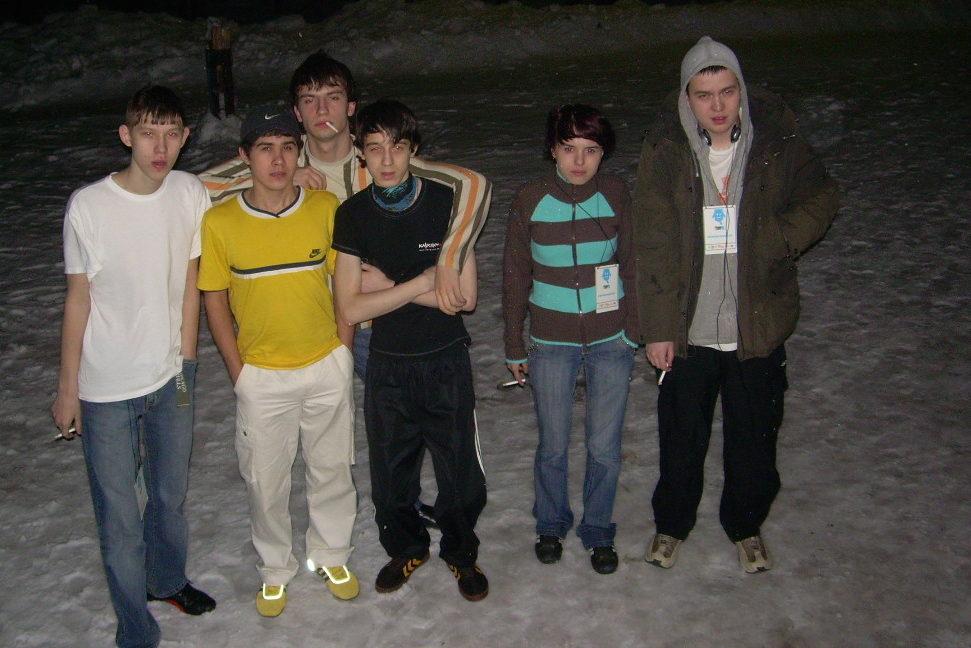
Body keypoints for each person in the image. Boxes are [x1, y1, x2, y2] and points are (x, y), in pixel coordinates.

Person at [633, 36, 839, 573]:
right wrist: (658, 328)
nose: (718, 106)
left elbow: (822, 195)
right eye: (704, 95)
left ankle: (746, 526)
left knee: (754, 441)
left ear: (742, 90)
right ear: (687, 97)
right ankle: (671, 524)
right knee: (681, 438)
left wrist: (780, 238)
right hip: (688, 328)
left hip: (757, 324)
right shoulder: (665, 149)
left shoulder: (777, 141)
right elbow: (652, 242)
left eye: (727, 91)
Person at [198, 51, 491, 381]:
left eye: (333, 98)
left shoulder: (377, 156)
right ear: (297, 112)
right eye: (310, 100)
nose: (322, 110)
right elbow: (198, 188)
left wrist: (449, 260)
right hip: (313, 331)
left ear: (351, 107)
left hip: (379, 320)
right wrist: (278, 178)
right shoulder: (282, 154)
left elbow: (471, 183)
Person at [51, 85, 215, 648]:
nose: (160, 147)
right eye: (148, 134)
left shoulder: (189, 192)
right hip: (104, 388)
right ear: (127, 136)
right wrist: (67, 388)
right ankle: (135, 630)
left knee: (169, 497)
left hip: (172, 378)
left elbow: (191, 279)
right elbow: (78, 299)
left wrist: (187, 359)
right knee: (120, 518)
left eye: (171, 134)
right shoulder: (89, 206)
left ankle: (165, 580)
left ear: (185, 137)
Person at [198, 107, 359, 616]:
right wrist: (238, 371)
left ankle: (332, 555)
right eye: (265, 149)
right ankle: (274, 569)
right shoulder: (220, 222)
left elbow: (344, 282)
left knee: (333, 469)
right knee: (265, 482)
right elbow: (214, 298)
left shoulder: (325, 207)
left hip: (325, 364)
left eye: (288, 148)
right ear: (244, 157)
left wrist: (343, 350)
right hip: (261, 375)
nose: (278, 160)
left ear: (299, 154)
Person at [331, 100, 489, 602]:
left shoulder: (446, 204)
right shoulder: (352, 216)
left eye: (397, 147)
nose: (387, 160)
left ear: (413, 150)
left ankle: (462, 554)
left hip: (445, 358)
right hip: (388, 362)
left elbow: (464, 299)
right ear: (361, 153)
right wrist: (424, 282)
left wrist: (387, 286)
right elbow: (350, 308)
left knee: (459, 472)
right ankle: (406, 548)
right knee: (390, 474)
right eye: (375, 148)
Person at [501, 104, 639, 575]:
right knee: (553, 445)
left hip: (611, 340)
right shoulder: (531, 197)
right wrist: (514, 343)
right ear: (552, 149)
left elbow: (632, 263)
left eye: (591, 150)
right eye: (568, 148)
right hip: (552, 341)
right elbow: (515, 275)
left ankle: (598, 529)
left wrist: (634, 331)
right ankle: (551, 522)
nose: (579, 161)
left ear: (603, 153)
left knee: (604, 447)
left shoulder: (615, 192)